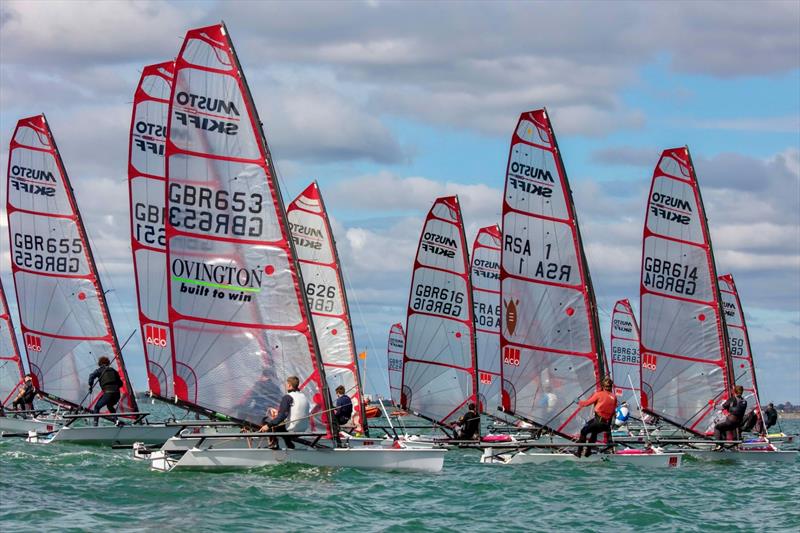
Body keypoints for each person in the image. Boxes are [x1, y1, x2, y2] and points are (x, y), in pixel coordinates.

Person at [259, 376, 309, 449]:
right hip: (303, 428)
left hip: (292, 428)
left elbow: (282, 416)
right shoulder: (303, 396)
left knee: (267, 423)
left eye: (286, 384)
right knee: (281, 425)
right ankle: (289, 445)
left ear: (289, 385)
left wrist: (267, 426)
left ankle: (274, 443)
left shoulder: (287, 397)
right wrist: (278, 413)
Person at [575, 378, 617, 457]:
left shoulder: (599, 394)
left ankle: (579, 453)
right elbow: (613, 413)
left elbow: (586, 404)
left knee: (583, 431)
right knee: (594, 431)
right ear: (611, 386)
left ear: (603, 386)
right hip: (605, 424)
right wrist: (609, 428)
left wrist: (578, 401)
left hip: (598, 422)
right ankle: (588, 452)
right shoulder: (614, 397)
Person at [88, 356, 124, 426]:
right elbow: (121, 384)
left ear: (100, 363)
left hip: (108, 393)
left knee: (97, 407)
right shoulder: (114, 371)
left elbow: (91, 376)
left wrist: (91, 386)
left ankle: (95, 425)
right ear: (108, 363)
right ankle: (116, 421)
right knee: (110, 406)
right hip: (117, 394)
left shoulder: (99, 370)